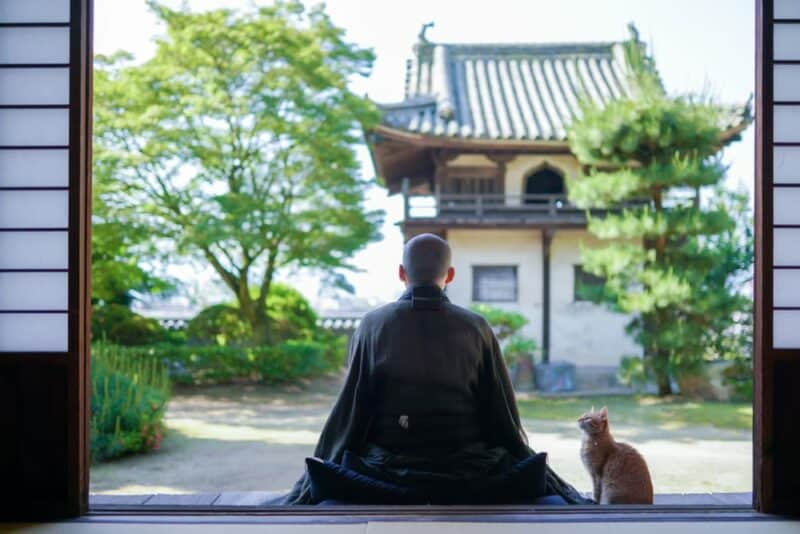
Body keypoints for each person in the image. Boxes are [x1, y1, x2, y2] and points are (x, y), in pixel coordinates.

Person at [283, 233, 590, 505]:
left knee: (339, 470)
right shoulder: (477, 327)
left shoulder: (372, 325)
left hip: (386, 475)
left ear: (402, 273)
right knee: (519, 468)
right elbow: (501, 417)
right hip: (469, 474)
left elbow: (351, 415)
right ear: (451, 274)